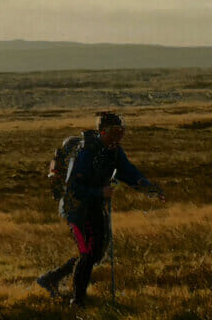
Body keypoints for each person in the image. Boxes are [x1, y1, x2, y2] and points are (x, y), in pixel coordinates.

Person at [36, 110, 166, 305]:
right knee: (89, 252)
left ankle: (52, 279)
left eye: (121, 132)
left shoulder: (114, 151)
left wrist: (150, 189)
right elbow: (72, 188)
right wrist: (99, 193)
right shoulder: (84, 153)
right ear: (102, 132)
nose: (118, 137)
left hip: (95, 207)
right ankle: (78, 301)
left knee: (95, 253)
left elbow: (129, 173)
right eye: (114, 132)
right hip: (76, 210)